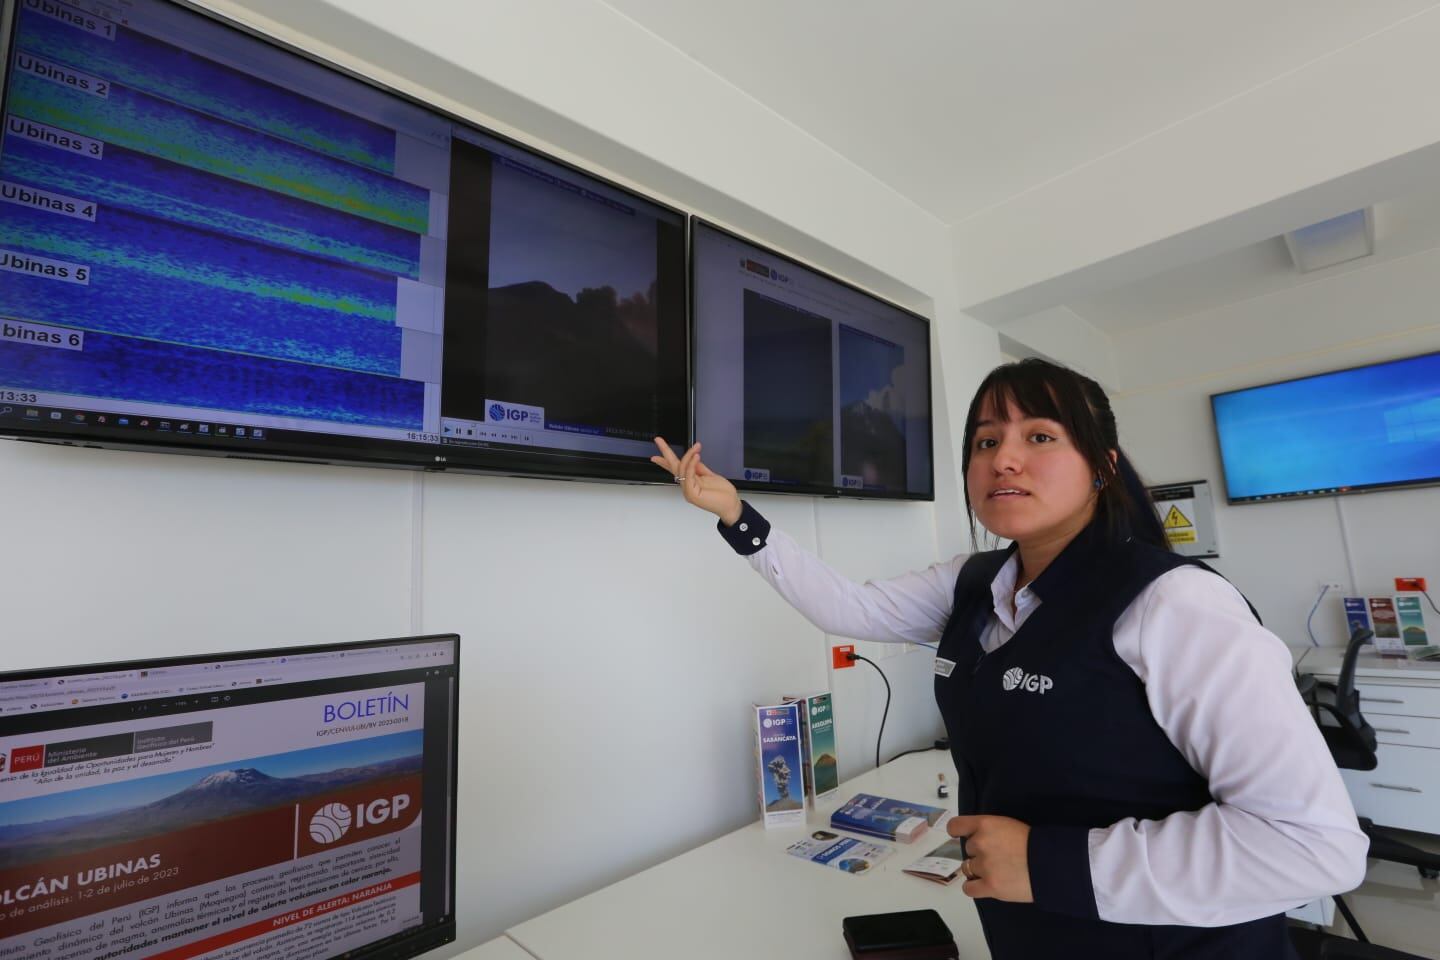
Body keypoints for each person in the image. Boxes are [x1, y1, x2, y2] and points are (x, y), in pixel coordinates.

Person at [652, 358, 1366, 959]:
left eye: (1040, 435)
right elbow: (852, 610)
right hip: (1030, 931)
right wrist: (737, 517)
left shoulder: (1174, 604)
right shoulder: (973, 581)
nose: (1004, 458)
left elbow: (1314, 846)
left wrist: (1050, 864)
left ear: (1102, 466)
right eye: (986, 440)